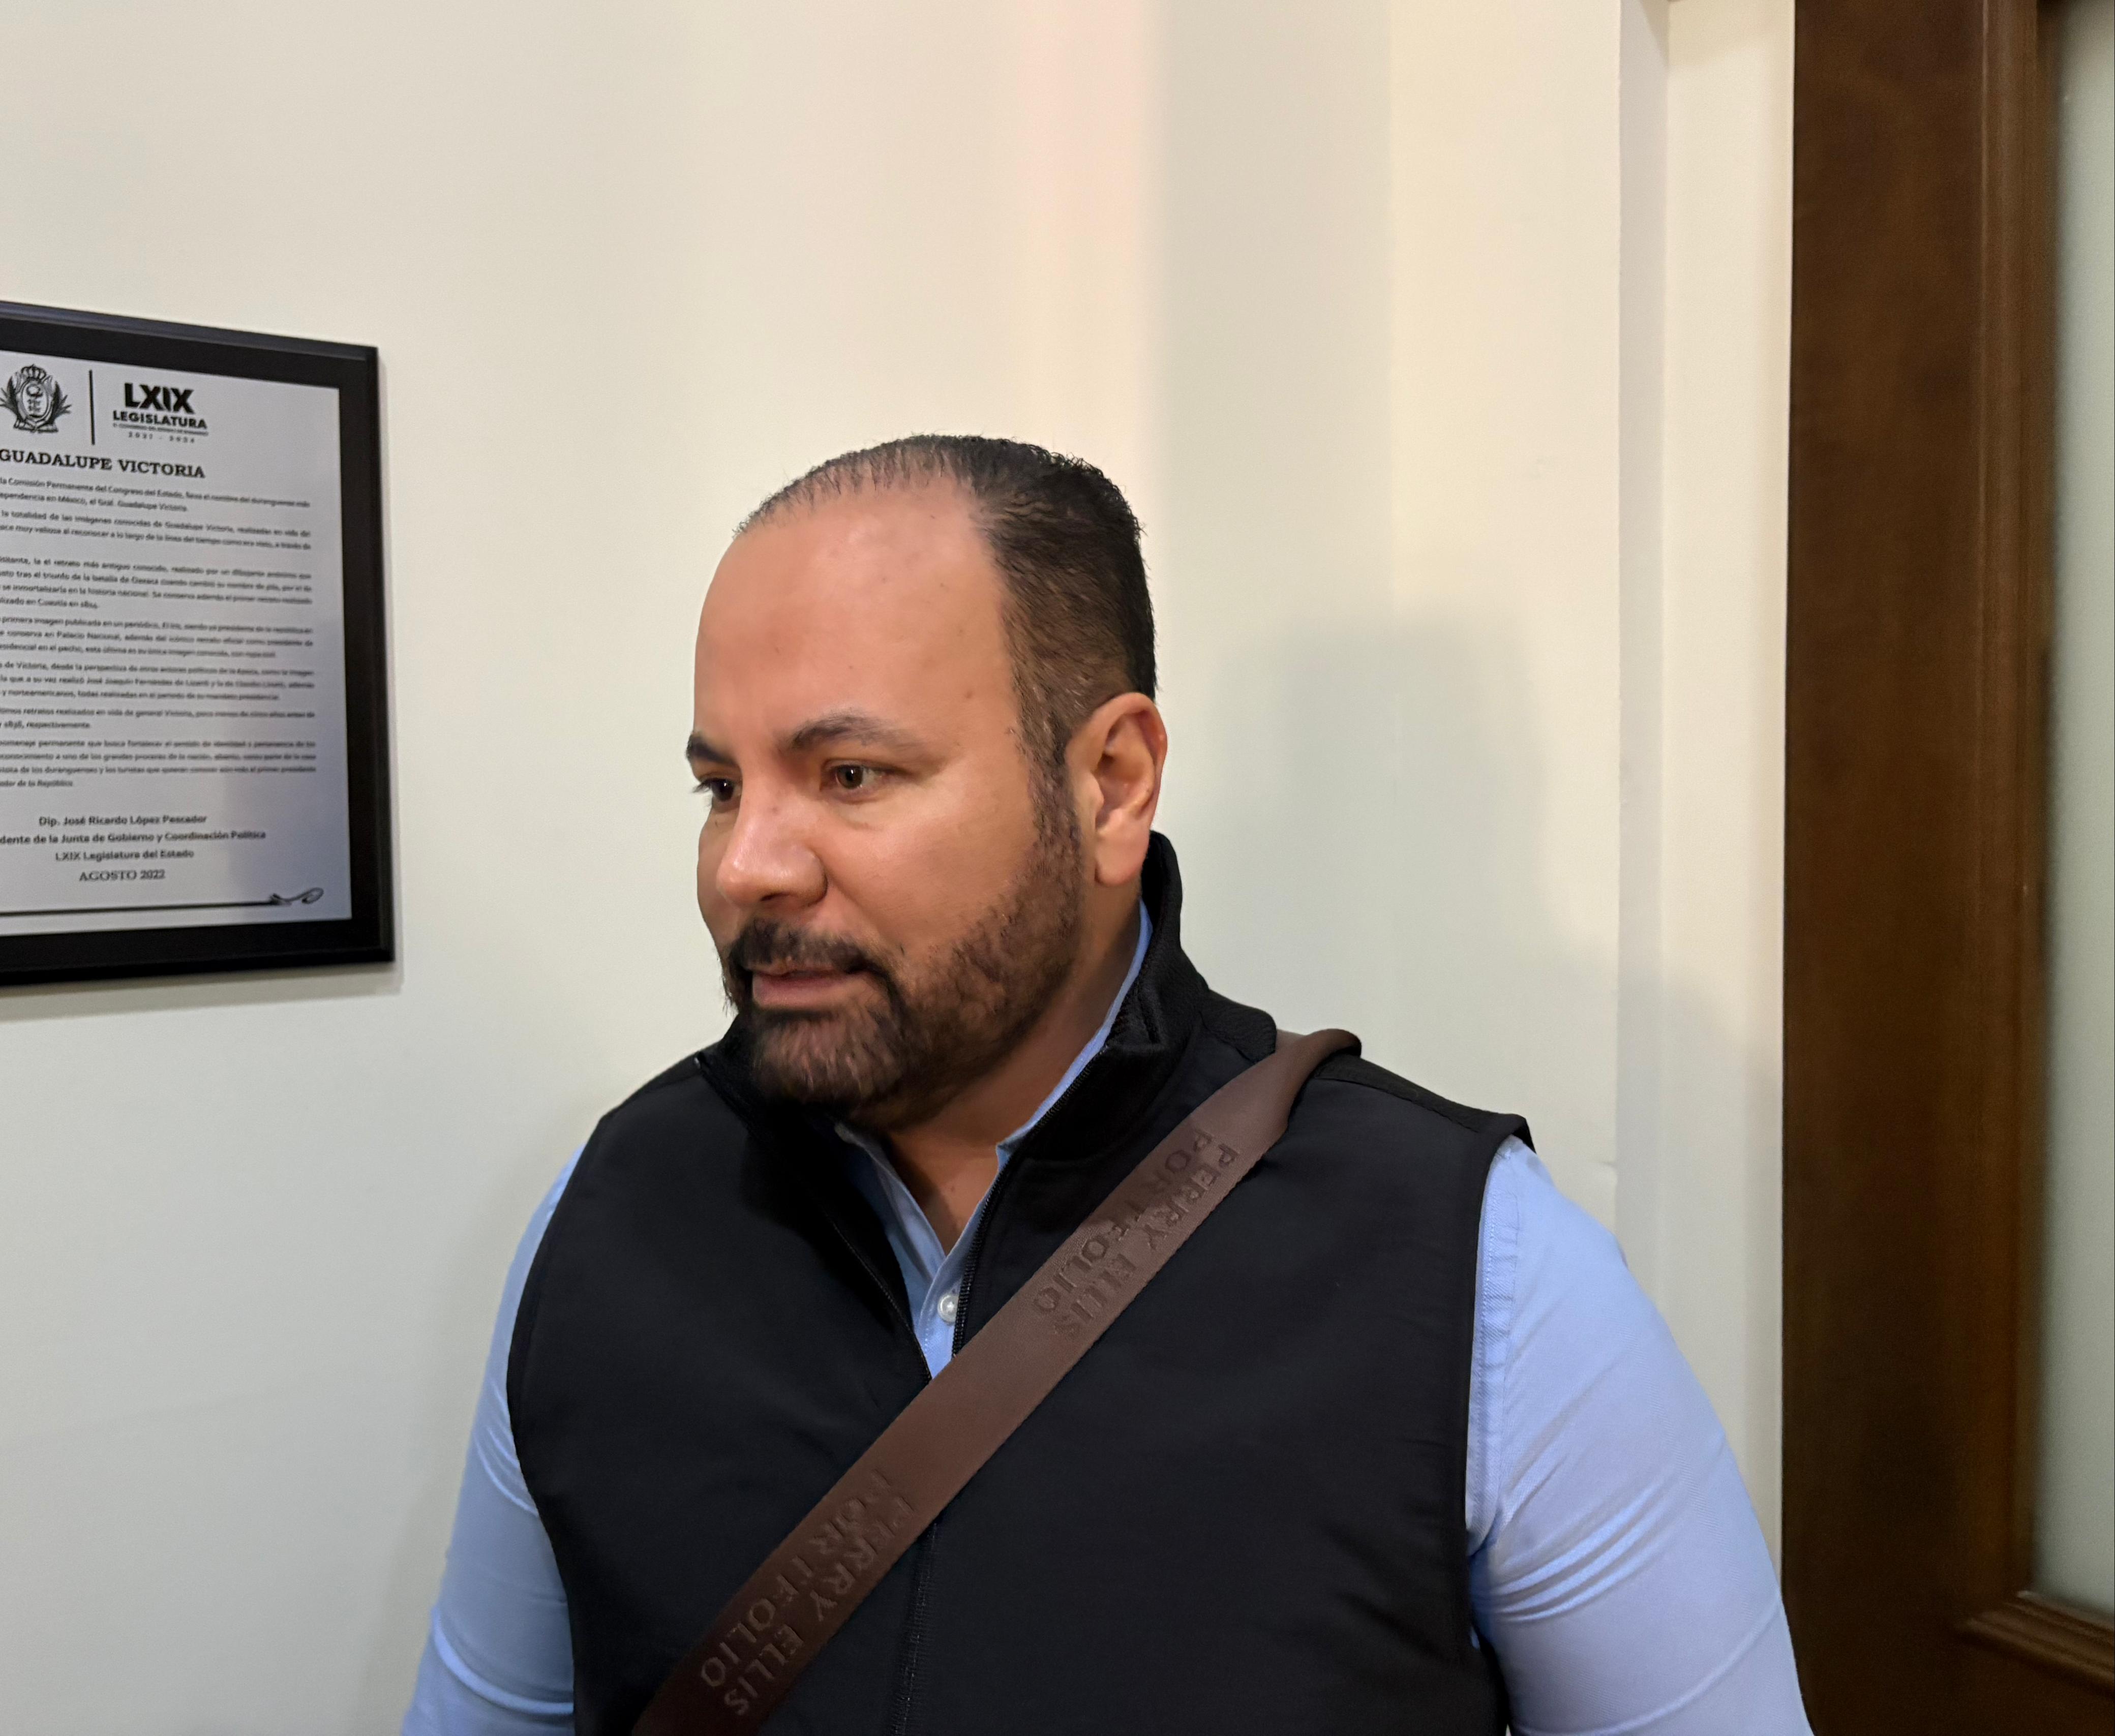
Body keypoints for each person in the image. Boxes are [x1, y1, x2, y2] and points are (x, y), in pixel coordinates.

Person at [404, 436, 1811, 1735]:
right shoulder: (609, 1225)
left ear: (1113, 784)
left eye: (850, 773)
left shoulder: (1482, 1282)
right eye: (722, 786)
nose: (747, 866)